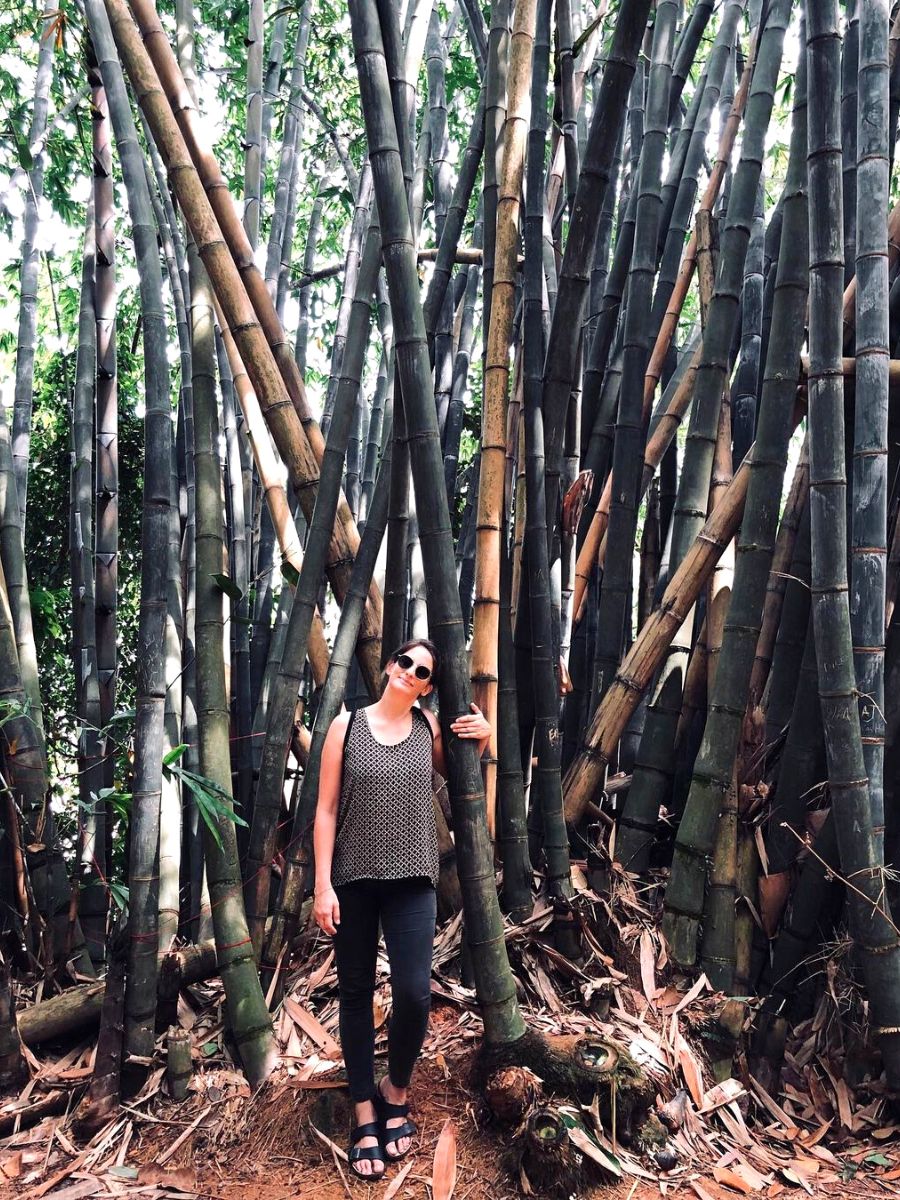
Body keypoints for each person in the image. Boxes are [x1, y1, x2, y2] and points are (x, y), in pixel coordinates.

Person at [312, 638, 490, 1181]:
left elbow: (461, 771)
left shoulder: (429, 728)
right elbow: (324, 810)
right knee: (355, 991)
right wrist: (323, 883)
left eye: (422, 671)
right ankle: (364, 1106)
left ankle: (397, 1087)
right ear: (390, 666)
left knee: (413, 992)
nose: (410, 673)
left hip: (414, 879)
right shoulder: (347, 726)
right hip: (355, 879)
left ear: (428, 685)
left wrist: (484, 737)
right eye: (405, 662)